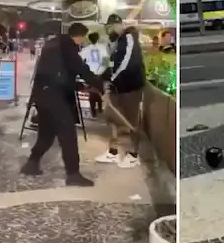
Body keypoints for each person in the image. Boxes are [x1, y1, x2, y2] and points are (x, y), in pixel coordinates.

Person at [19, 23, 103, 187]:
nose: (82, 42)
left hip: (42, 96)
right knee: (68, 134)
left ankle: (31, 163)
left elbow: (60, 72)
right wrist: (98, 84)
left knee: (47, 133)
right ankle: (73, 174)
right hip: (53, 96)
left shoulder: (53, 44)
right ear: (79, 36)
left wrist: (79, 86)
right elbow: (80, 68)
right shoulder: (68, 47)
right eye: (82, 39)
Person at [95, 14, 145, 168]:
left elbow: (126, 63)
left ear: (118, 24)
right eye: (108, 28)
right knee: (111, 116)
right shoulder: (113, 42)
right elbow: (108, 61)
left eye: (111, 27)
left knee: (131, 119)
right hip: (117, 86)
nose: (110, 30)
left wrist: (111, 78)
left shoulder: (129, 37)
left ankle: (133, 154)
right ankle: (113, 151)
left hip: (131, 85)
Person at [80, 31, 109, 118]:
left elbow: (80, 58)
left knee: (92, 93)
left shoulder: (86, 49)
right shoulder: (103, 48)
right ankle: (100, 109)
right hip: (100, 74)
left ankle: (93, 112)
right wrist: (101, 71)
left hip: (90, 74)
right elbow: (106, 62)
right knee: (100, 92)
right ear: (98, 39)